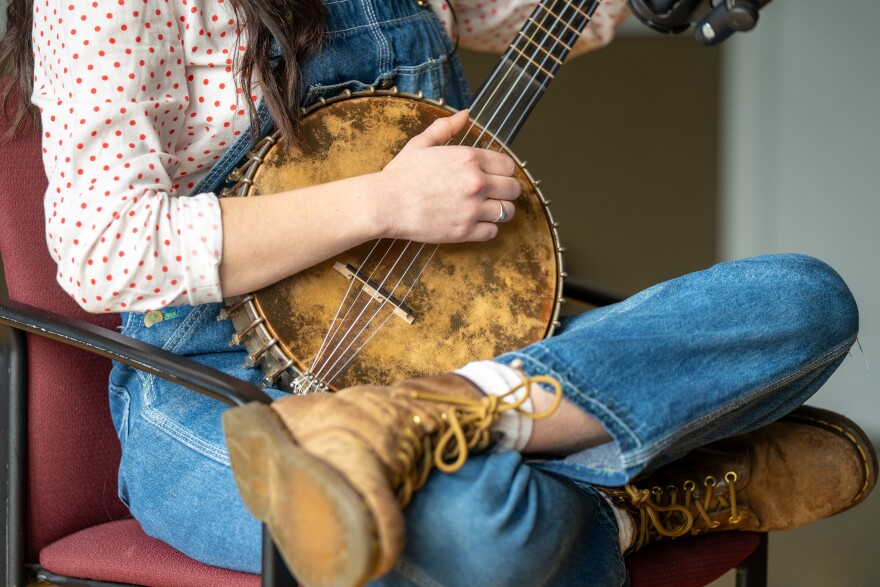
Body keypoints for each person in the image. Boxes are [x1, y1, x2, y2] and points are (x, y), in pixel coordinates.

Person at [1, 0, 875, 585]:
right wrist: (383, 201)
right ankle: (637, 506)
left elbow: (532, 11)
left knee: (808, 299)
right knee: (481, 528)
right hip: (221, 395)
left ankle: (437, 416)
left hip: (465, 361)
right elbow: (102, 249)